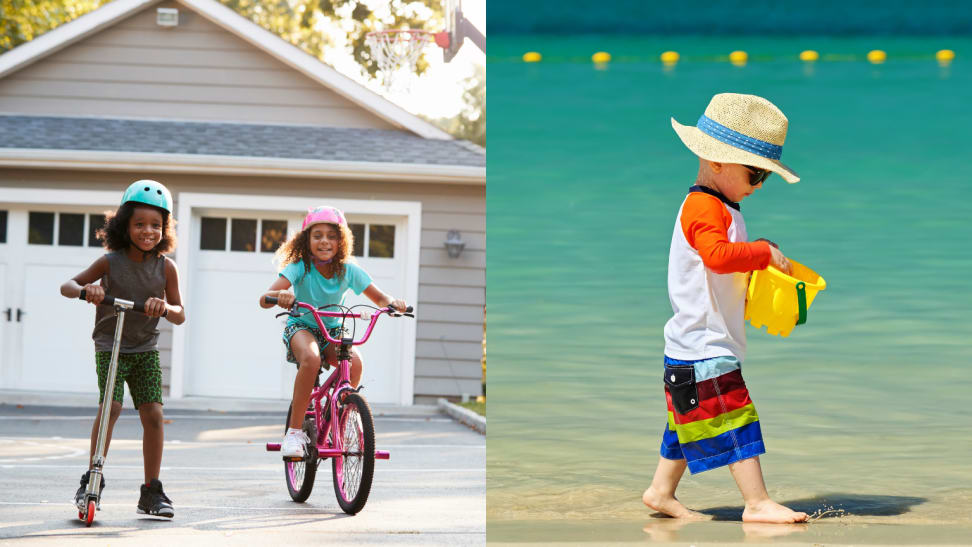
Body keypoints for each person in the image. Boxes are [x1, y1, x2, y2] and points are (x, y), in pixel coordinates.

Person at [642, 93, 809, 524]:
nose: (757, 186)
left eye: (763, 179)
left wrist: (755, 280)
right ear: (717, 162)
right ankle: (756, 502)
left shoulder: (723, 205)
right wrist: (762, 253)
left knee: (686, 423)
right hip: (702, 347)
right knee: (736, 416)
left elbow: (717, 270)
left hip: (696, 347)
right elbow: (717, 256)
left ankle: (661, 492)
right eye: (755, 175)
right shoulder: (702, 206)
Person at [61, 179, 186, 518]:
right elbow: (67, 286)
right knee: (111, 407)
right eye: (140, 224)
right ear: (124, 225)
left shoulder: (166, 267)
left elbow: (180, 314)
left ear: (165, 229)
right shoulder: (110, 262)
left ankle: (151, 491)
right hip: (111, 345)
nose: (148, 231)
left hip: (145, 348)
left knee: (154, 415)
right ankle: (92, 480)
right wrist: (89, 290)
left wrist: (164, 307)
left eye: (156, 225)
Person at [259, 206, 407, 459]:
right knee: (311, 358)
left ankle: (341, 412)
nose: (324, 241)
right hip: (302, 326)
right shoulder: (299, 267)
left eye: (331, 235)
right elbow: (264, 298)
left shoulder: (349, 270)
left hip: (333, 327)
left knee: (355, 362)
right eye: (317, 235)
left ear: (341, 241)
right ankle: (294, 433)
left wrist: (393, 303)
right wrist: (280, 295)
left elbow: (380, 297)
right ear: (306, 240)